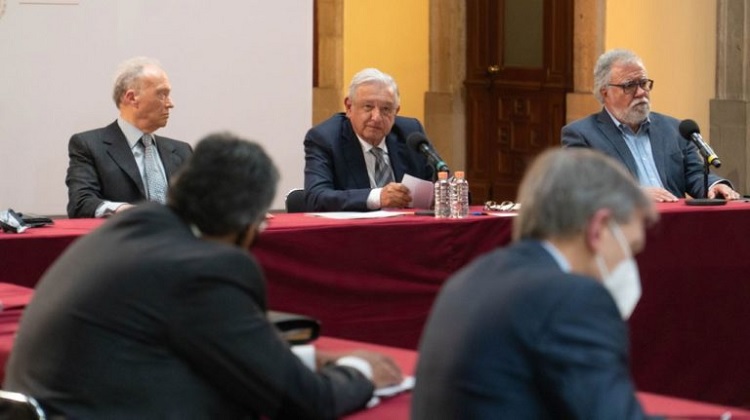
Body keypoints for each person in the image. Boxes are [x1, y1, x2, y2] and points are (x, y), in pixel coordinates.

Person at [5, 133, 402, 418]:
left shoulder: (132, 226)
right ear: (248, 222)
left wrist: (308, 358)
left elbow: (207, 345)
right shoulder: (205, 268)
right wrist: (363, 372)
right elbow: (303, 400)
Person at [412, 148, 659, 419]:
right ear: (598, 228)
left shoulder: (469, 278)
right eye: (631, 248)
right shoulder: (573, 298)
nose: (629, 263)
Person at [562, 49, 739, 202]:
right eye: (629, 86)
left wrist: (714, 186)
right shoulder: (582, 134)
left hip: (676, 222)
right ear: (605, 93)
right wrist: (633, 194)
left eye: (643, 83)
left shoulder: (675, 129)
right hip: (624, 225)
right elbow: (581, 188)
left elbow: (695, 175)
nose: (641, 92)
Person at [66, 56, 193, 218]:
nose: (170, 103)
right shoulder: (89, 146)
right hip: (124, 233)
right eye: (162, 94)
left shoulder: (182, 151)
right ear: (132, 98)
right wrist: (130, 212)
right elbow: (81, 203)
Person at [304, 68, 434, 211]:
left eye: (386, 109)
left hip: (408, 223)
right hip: (355, 225)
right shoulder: (326, 138)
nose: (376, 117)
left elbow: (439, 180)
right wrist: (378, 197)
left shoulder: (410, 133)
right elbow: (316, 198)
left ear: (396, 111)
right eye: (368, 107)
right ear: (349, 107)